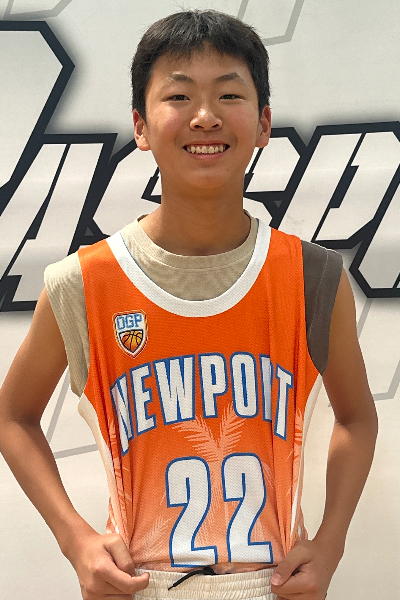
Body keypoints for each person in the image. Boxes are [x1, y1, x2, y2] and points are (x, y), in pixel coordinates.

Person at [0, 9, 377, 600]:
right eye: (178, 95)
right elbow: (13, 417)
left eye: (229, 94)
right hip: (140, 585)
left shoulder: (313, 276)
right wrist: (74, 539)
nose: (205, 116)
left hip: (271, 583)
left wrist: (331, 542)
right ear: (141, 124)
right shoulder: (84, 281)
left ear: (263, 123)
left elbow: (357, 418)